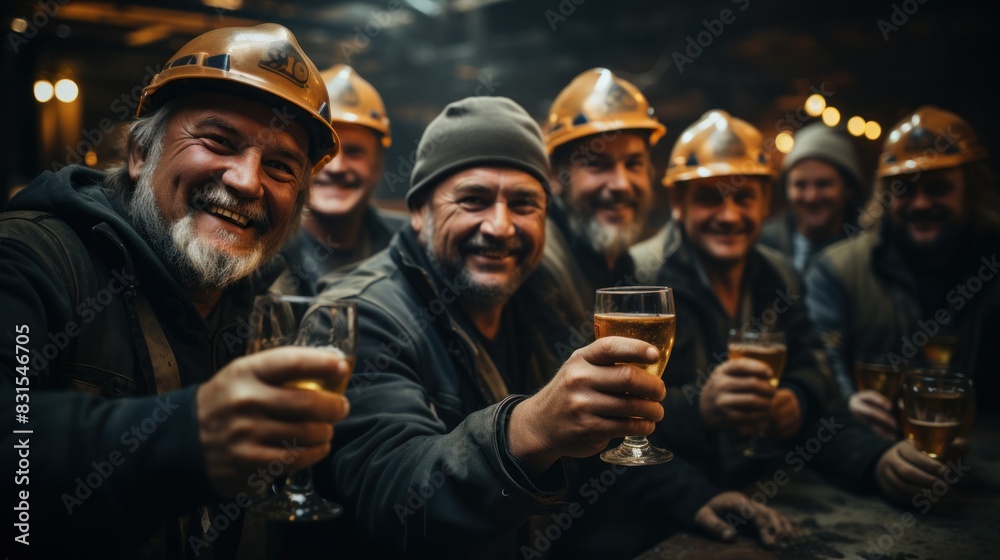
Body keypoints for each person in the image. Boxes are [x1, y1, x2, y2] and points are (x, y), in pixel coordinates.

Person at [313, 97, 794, 559]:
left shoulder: (531, 299)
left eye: (524, 204)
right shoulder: (360, 314)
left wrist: (693, 498)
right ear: (418, 212)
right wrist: (532, 427)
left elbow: (594, 440)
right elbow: (393, 496)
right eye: (474, 200)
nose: (500, 227)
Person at [1, 24, 351, 558]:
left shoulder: (272, 309)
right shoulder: (31, 260)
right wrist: (184, 437)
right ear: (141, 153)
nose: (246, 181)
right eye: (218, 141)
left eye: (281, 167)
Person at [631, 109, 957, 512]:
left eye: (745, 196)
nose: (729, 214)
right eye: (709, 198)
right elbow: (619, 431)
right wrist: (699, 413)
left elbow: (817, 377)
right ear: (678, 204)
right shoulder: (641, 282)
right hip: (680, 513)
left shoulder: (777, 274)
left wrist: (867, 451)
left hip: (770, 494)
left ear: (766, 202)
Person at [805, 105, 1000, 435]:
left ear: (971, 190)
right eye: (905, 190)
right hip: (879, 455)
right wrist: (847, 402)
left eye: (938, 188)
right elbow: (821, 362)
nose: (921, 203)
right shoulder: (837, 269)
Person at [537, 68, 665, 318]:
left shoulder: (621, 263)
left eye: (633, 164)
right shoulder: (540, 264)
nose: (621, 185)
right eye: (598, 164)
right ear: (556, 175)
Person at [276, 64, 406, 295]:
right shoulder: (263, 247)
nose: (336, 167)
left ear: (378, 164)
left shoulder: (408, 243)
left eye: (355, 151)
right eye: (326, 149)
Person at [759, 121, 865, 272]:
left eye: (823, 184)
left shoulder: (868, 254)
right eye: (800, 185)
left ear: (848, 188)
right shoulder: (762, 245)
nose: (811, 197)